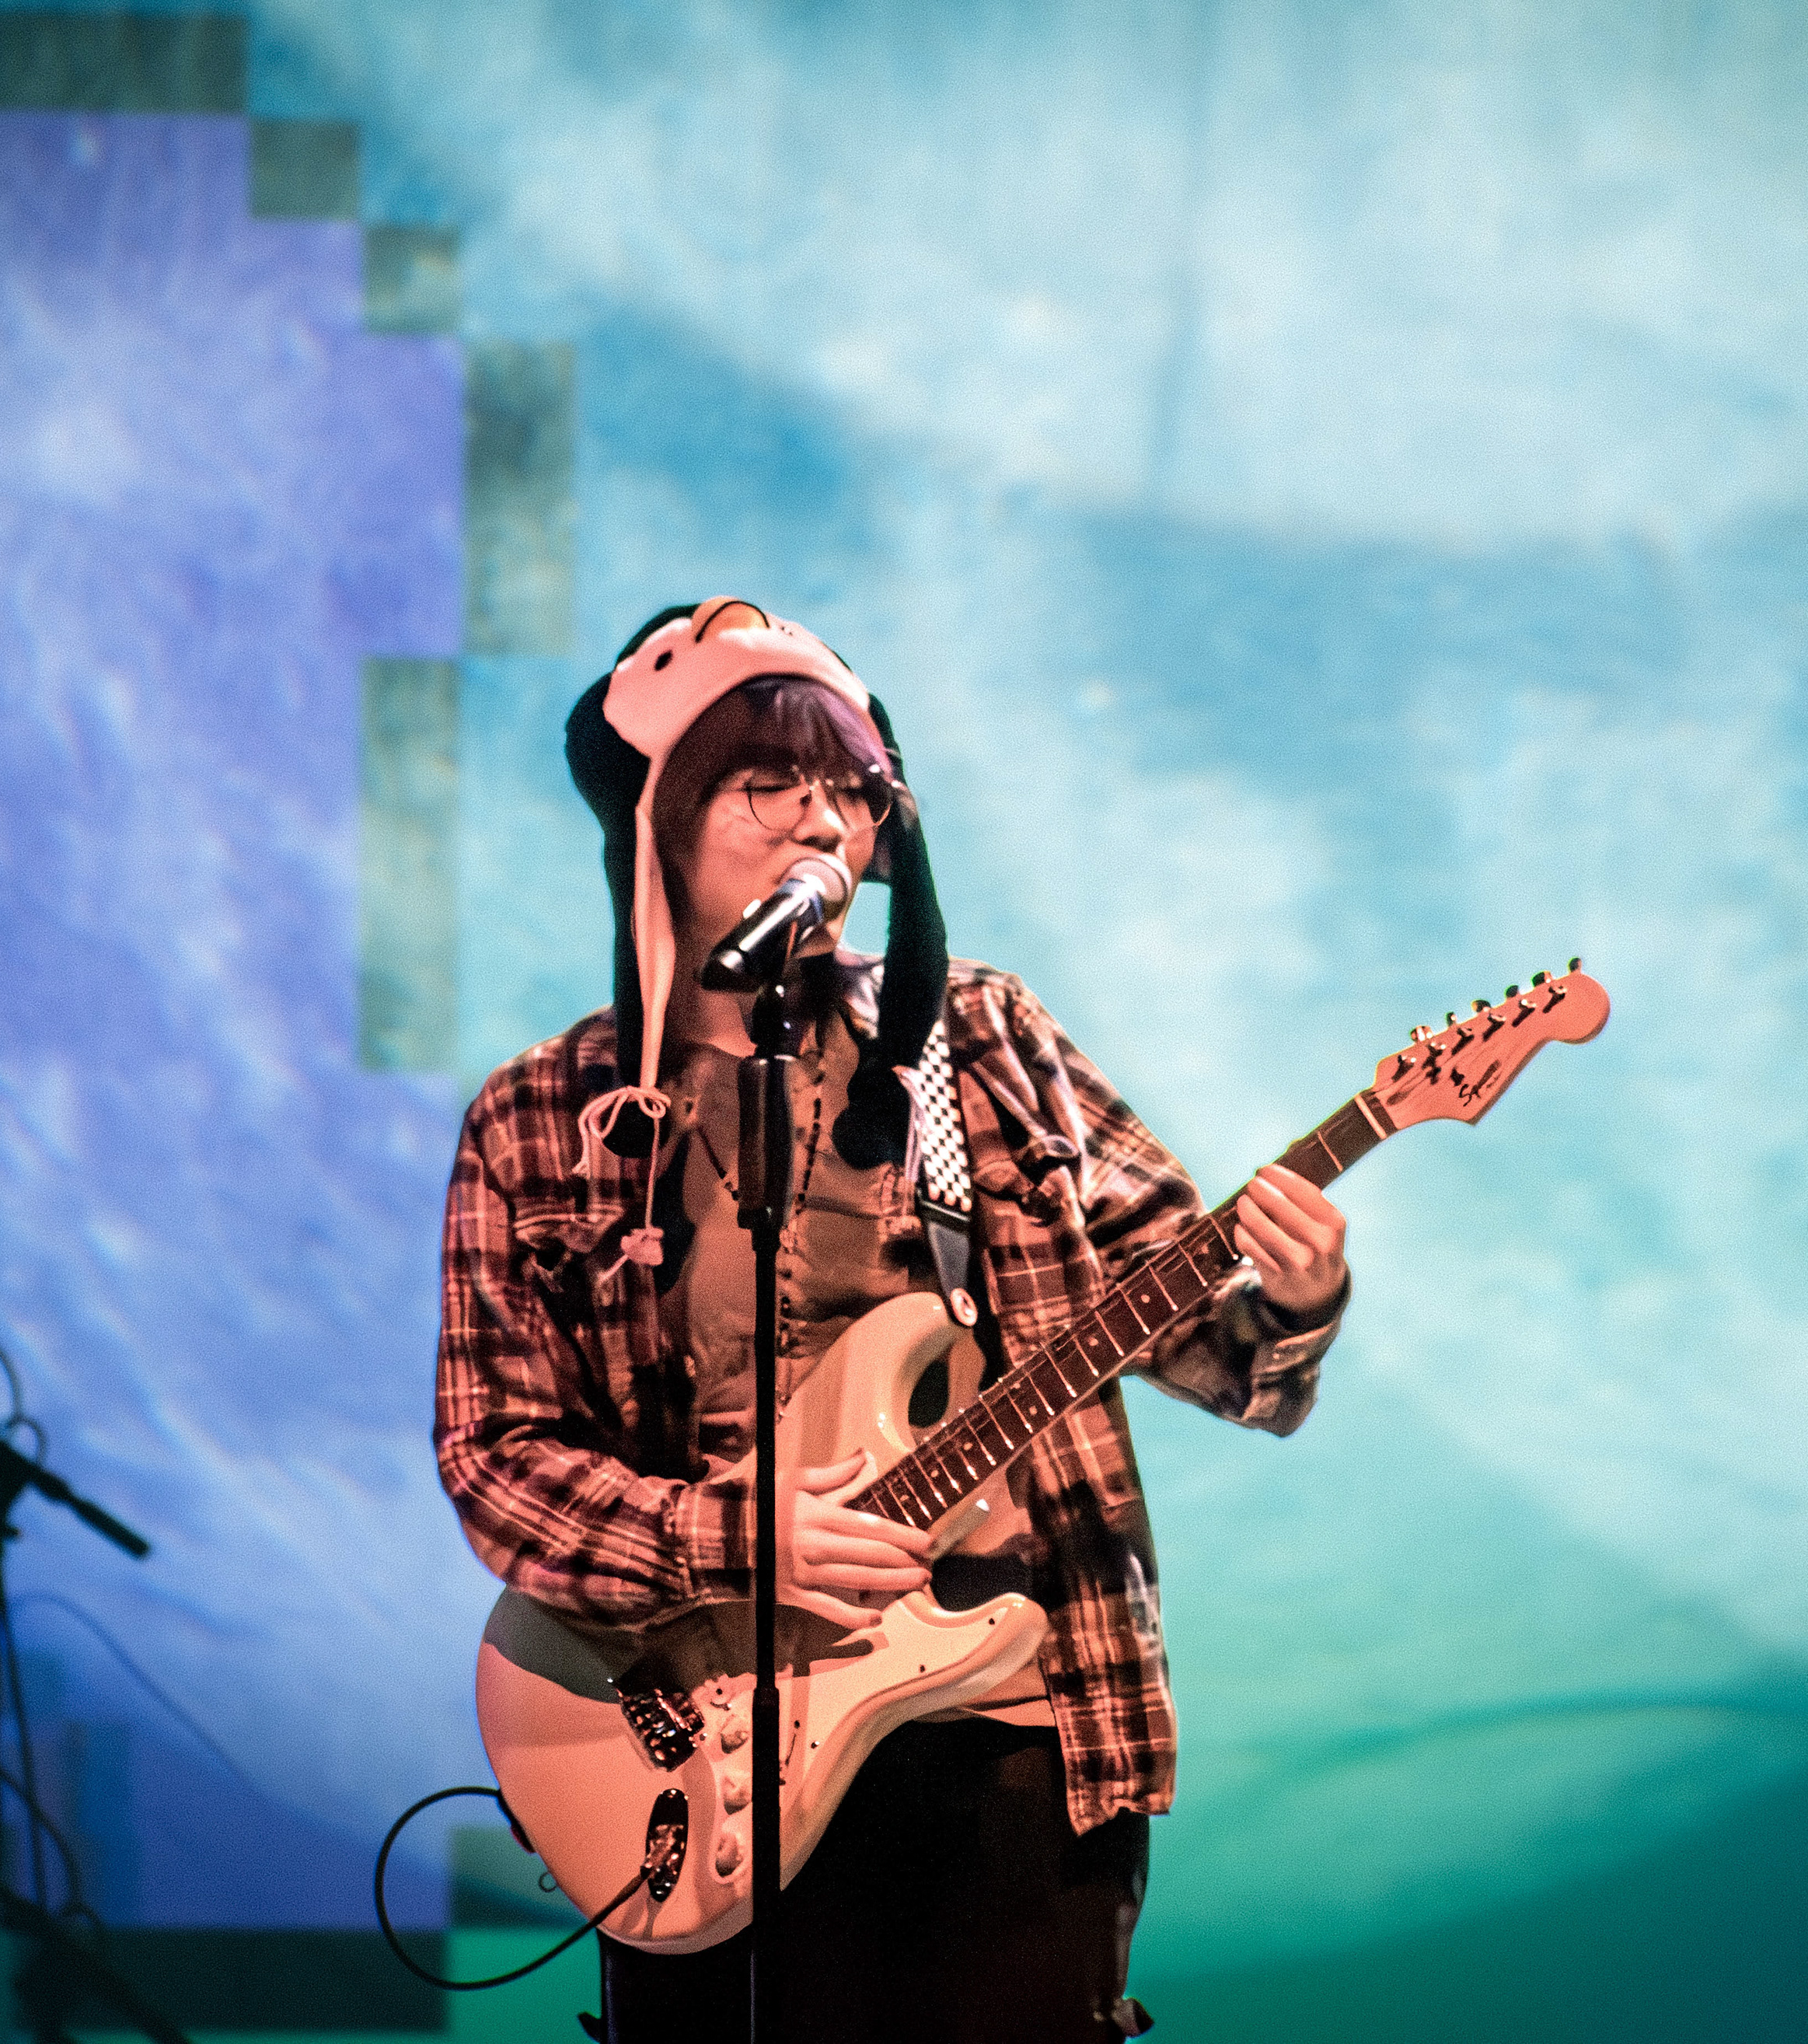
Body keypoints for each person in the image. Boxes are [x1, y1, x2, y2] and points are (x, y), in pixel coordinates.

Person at [435, 598, 1349, 2042]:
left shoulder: (979, 1038)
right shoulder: (541, 1114)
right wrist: (735, 1539)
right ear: (657, 827)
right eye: (768, 785)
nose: (825, 825)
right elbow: (495, 1459)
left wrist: (1290, 1302)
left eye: (852, 791)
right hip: (699, 1744)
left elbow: (1221, 1355)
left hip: (1009, 1727)